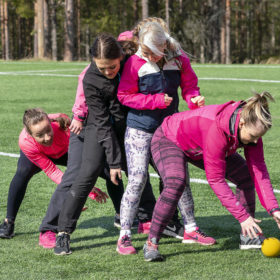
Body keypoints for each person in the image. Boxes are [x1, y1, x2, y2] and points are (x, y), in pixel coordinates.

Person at [143, 91, 280, 261]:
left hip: (199, 147)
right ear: (242, 123)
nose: (254, 142)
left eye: (258, 138)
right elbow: (216, 179)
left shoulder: (250, 131)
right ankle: (151, 243)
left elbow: (259, 170)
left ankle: (249, 235)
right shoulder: (217, 128)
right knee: (176, 183)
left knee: (245, 176)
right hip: (168, 138)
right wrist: (242, 216)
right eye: (252, 137)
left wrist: (274, 209)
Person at [116, 21, 215, 256]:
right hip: (140, 129)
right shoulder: (134, 62)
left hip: (170, 130)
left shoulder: (179, 59)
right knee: (137, 180)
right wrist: (154, 102)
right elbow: (124, 95)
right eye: (145, 50)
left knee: (179, 178)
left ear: (164, 44)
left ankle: (190, 229)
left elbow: (190, 87)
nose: (149, 56)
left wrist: (195, 99)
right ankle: (125, 236)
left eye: (154, 51)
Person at [53, 33, 156, 255]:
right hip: (99, 128)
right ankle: (63, 233)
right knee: (87, 174)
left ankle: (151, 219)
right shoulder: (90, 79)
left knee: (138, 170)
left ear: (121, 57)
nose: (108, 72)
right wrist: (113, 161)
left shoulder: (131, 62)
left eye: (112, 67)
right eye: (102, 68)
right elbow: (101, 124)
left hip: (129, 125)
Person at [0, 108, 107, 241]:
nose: (47, 137)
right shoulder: (26, 142)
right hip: (38, 151)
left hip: (62, 150)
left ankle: (124, 215)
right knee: (22, 172)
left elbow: (79, 164)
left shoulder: (63, 123)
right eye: (40, 134)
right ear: (30, 134)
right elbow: (52, 171)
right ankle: (8, 222)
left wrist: (78, 195)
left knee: (103, 167)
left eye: (48, 130)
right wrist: (83, 193)